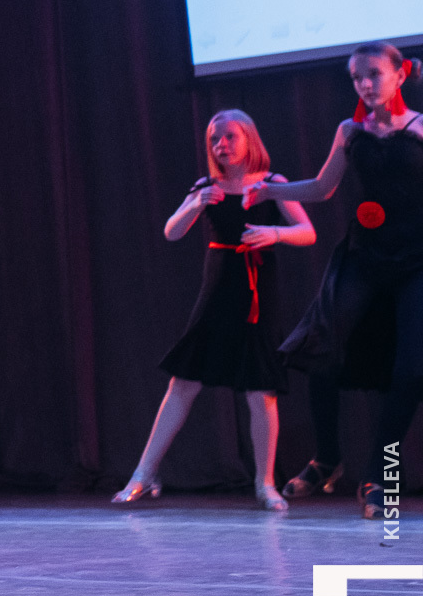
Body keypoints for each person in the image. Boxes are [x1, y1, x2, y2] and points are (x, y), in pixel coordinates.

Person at [250, 43, 423, 517]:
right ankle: (327, 458)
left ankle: (380, 476)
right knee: (320, 347)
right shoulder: (350, 131)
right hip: (366, 257)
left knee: (411, 370)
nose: (364, 84)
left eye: (374, 74)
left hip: (417, 261)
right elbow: (323, 187)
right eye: (356, 77)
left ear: (399, 75)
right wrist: (268, 190)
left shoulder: (420, 128)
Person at [112, 111, 314, 509]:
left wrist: (273, 233)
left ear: (249, 138)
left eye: (229, 136)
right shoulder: (207, 186)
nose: (221, 145)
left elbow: (307, 232)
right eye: (214, 139)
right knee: (183, 382)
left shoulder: (273, 184)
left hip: (257, 294)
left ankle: (265, 484)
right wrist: (194, 205)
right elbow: (171, 231)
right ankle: (143, 474)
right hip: (218, 291)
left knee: (261, 389)